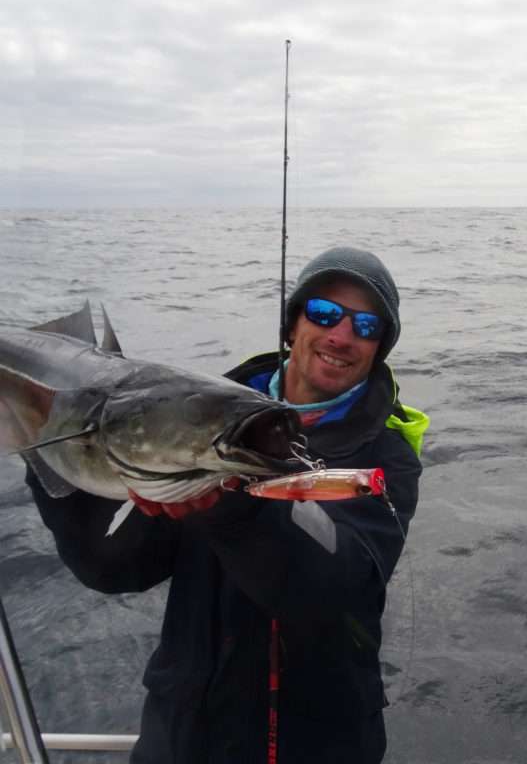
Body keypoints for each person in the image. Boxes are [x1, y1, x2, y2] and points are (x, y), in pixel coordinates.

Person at [25, 246, 429, 763]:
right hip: (182, 734)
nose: (341, 336)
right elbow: (114, 565)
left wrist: (232, 503)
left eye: (366, 326)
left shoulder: (387, 456)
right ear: (292, 323)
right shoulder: (203, 416)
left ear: (379, 349)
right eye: (324, 313)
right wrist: (41, 436)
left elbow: (339, 587)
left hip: (320, 743)